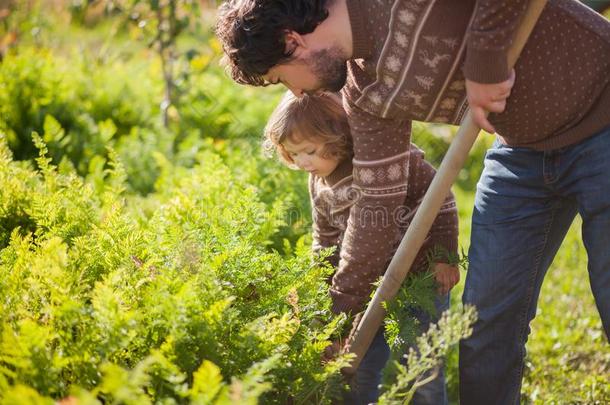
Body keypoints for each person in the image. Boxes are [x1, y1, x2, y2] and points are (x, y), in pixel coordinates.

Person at [216, 0, 610, 402]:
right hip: (521, 153)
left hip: (603, 110)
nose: (297, 92)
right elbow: (374, 208)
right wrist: (337, 315)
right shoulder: (365, 91)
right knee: (484, 321)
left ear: (291, 41)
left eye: (282, 79)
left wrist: (486, 63)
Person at [264, 91, 459, 404]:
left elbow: (440, 198)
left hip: (420, 279)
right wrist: (323, 292)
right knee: (360, 366)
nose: (302, 162)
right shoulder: (319, 183)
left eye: (309, 151)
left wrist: (444, 256)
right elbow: (324, 238)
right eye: (293, 154)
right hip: (365, 290)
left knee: (424, 366)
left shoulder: (379, 160)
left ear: (336, 135)